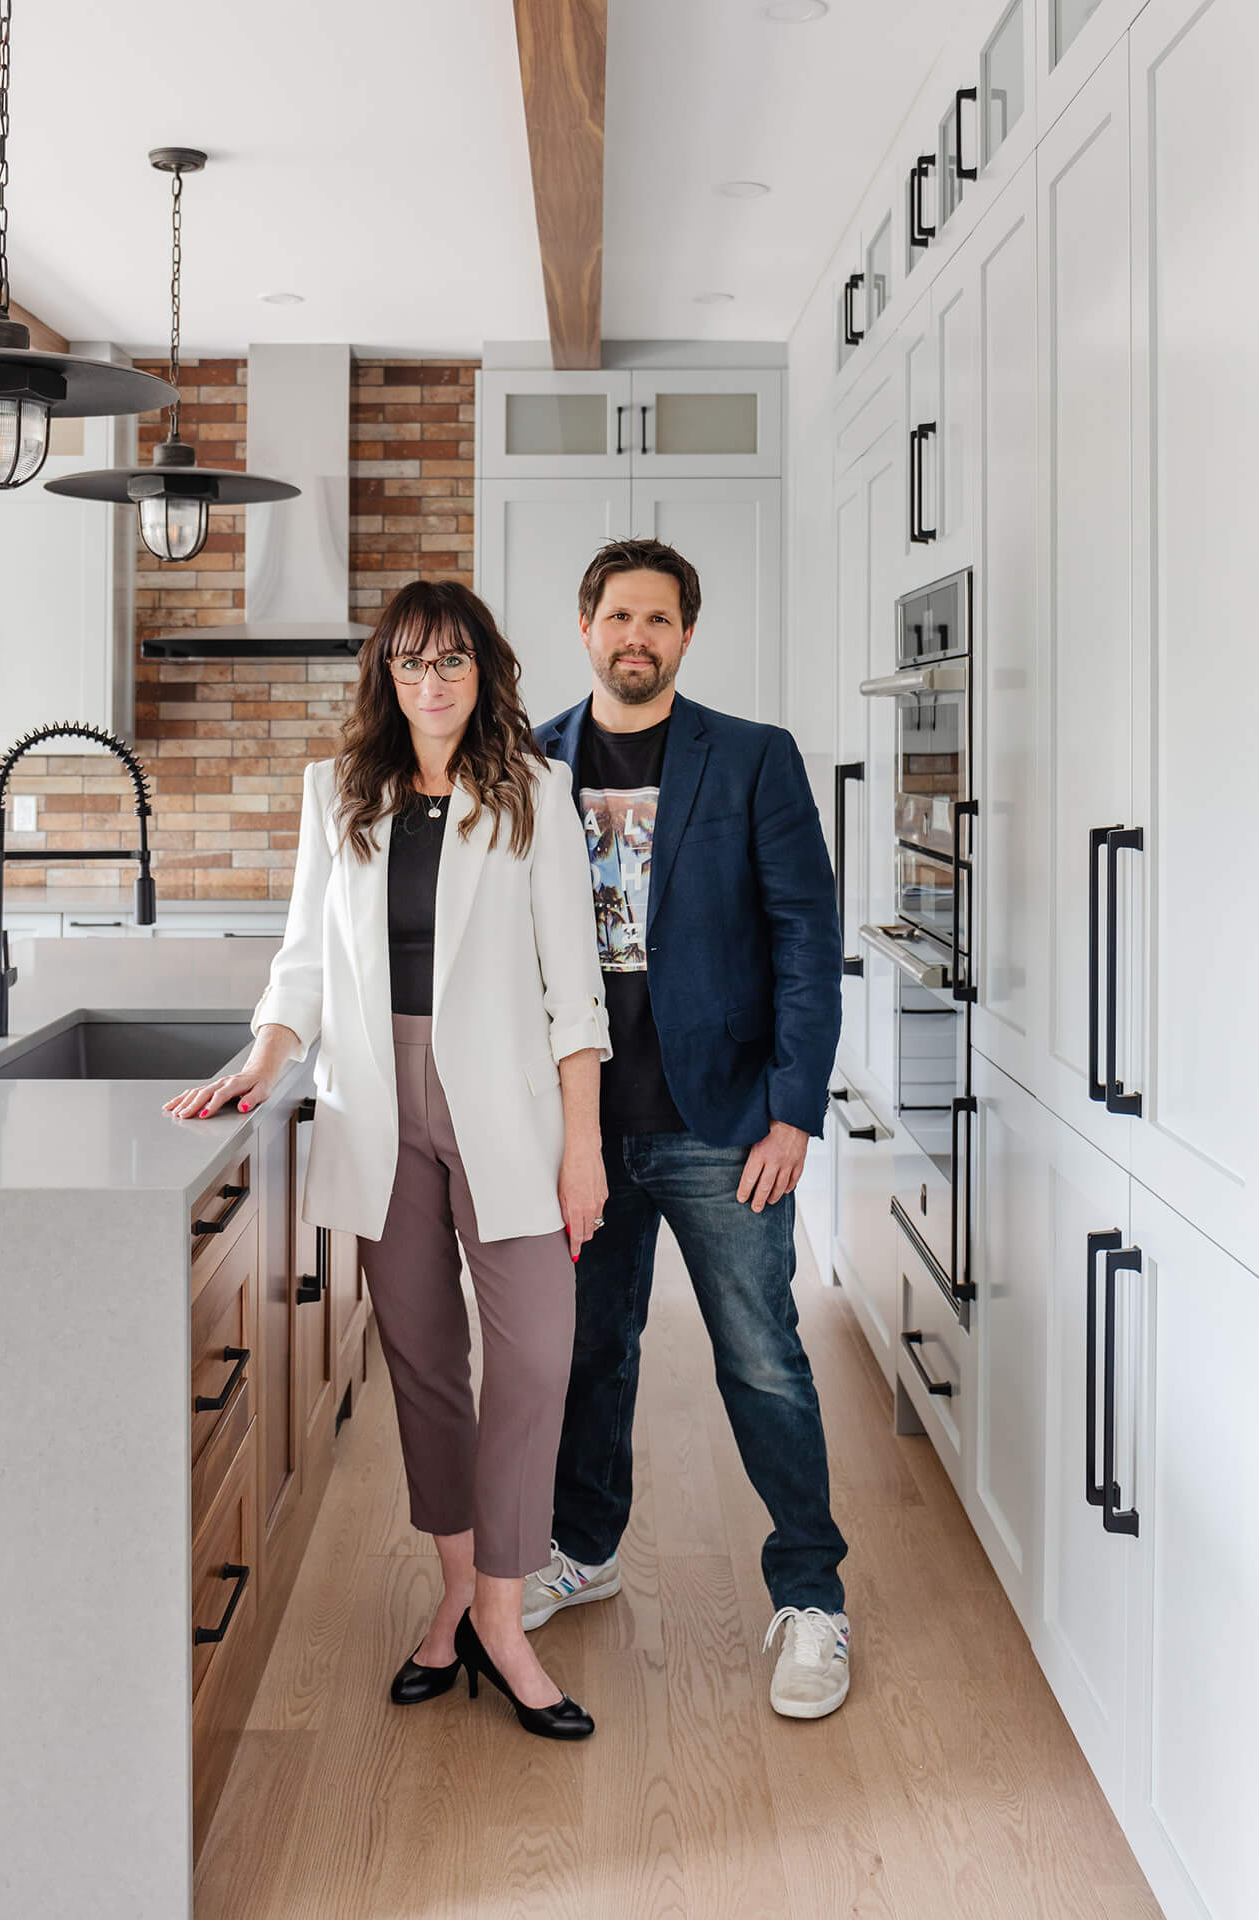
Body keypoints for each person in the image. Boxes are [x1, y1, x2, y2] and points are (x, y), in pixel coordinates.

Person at [163, 580, 609, 1742]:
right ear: (386, 677)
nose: (433, 683)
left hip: (507, 1113)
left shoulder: (533, 795)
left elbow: (575, 994)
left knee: (534, 1360)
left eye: (453, 661)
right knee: (419, 1361)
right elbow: (303, 966)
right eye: (412, 664)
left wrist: (584, 1153)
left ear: (483, 671)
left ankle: (507, 1624)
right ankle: (460, 1596)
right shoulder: (337, 797)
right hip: (380, 1108)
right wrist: (257, 1062)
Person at [521, 536, 853, 1720]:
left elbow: (808, 942)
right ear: (584, 626)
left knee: (761, 1362)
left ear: (685, 636)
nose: (636, 638)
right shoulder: (528, 764)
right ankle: (582, 1547)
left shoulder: (753, 760)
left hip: (723, 1129)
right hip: (582, 1132)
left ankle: (811, 1599)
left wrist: (792, 1115)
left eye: (658, 620)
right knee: (587, 1356)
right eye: (618, 616)